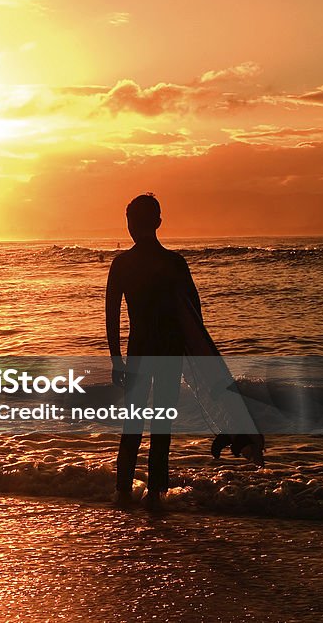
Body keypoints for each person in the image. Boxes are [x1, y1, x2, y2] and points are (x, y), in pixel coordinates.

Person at [105, 193, 200, 511]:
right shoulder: (174, 263)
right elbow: (194, 316)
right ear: (158, 222)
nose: (133, 227)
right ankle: (157, 494)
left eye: (133, 222)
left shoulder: (123, 264)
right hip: (169, 352)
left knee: (132, 425)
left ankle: (122, 493)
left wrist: (116, 359)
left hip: (139, 352)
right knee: (162, 427)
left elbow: (112, 314)